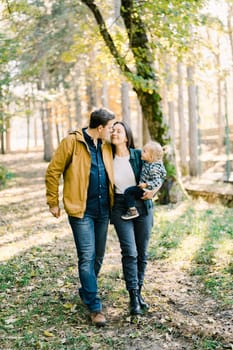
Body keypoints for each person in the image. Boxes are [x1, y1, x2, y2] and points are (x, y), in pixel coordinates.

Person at [45, 107, 115, 327]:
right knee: (86, 256)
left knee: (98, 257)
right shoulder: (71, 143)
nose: (113, 131)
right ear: (100, 127)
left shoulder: (106, 145)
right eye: (111, 127)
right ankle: (95, 307)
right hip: (81, 210)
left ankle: (87, 289)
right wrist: (53, 202)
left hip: (103, 210)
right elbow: (53, 172)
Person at [110, 121, 156, 316]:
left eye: (118, 130)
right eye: (112, 130)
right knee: (130, 252)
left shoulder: (138, 155)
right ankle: (133, 297)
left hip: (142, 206)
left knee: (142, 253)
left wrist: (154, 190)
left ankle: (138, 294)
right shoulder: (106, 157)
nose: (114, 132)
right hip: (120, 206)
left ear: (127, 136)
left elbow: (157, 172)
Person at [121, 141, 166, 220]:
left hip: (145, 190)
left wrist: (146, 184)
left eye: (144, 151)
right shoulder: (149, 162)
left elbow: (157, 181)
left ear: (151, 157)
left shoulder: (153, 168)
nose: (142, 152)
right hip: (144, 188)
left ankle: (132, 211)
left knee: (128, 192)